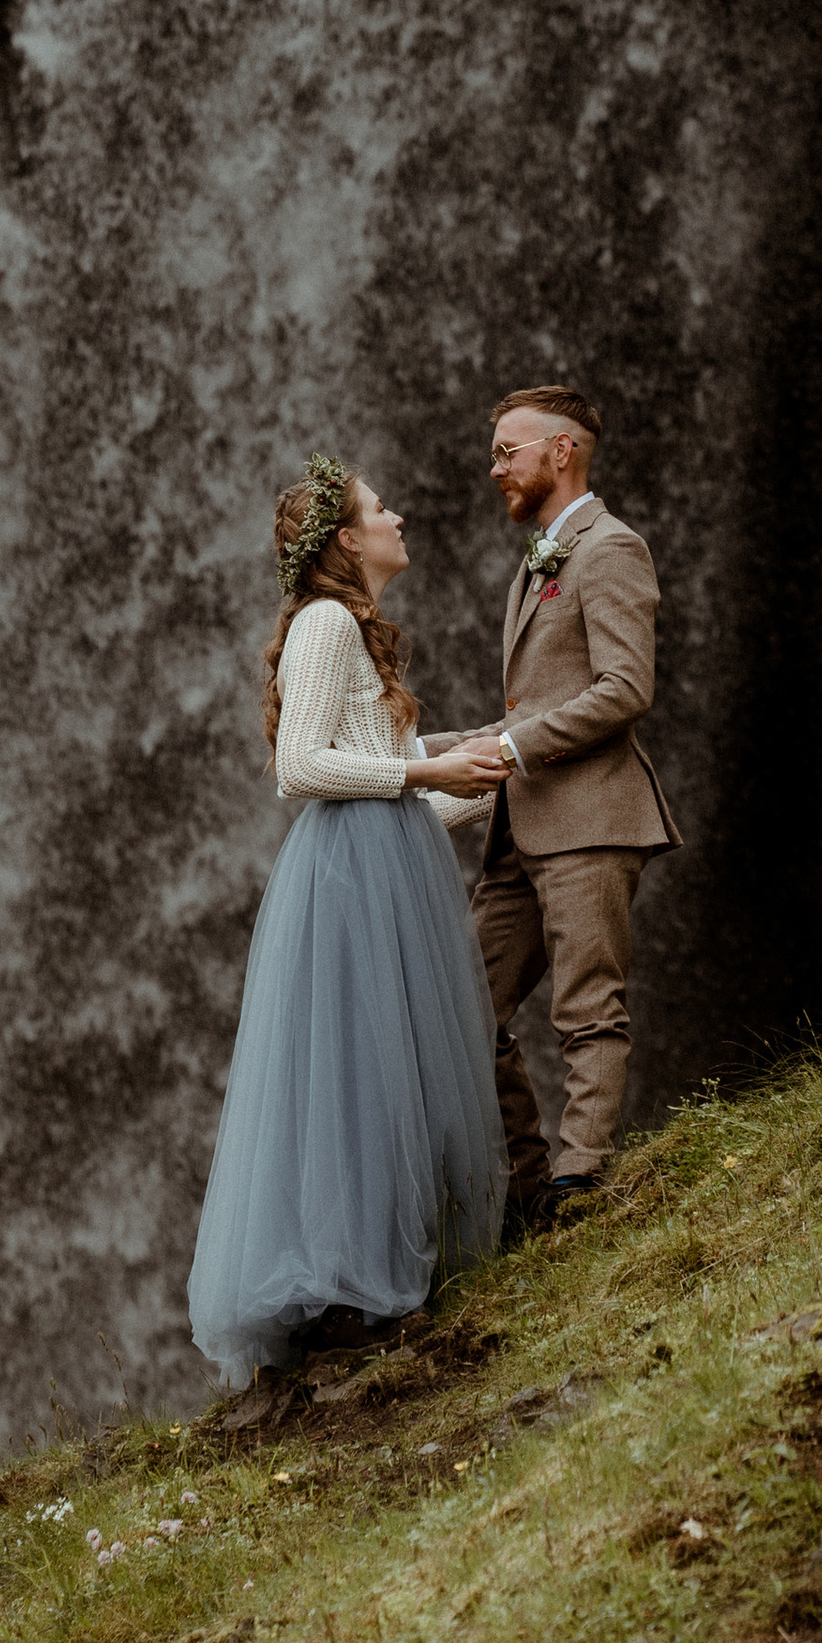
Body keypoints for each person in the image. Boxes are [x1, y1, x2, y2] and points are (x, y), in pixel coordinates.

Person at [187, 452, 512, 1390]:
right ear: (345, 538)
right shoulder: (326, 622)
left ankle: (373, 1275)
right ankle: (344, 1288)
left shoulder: (357, 631)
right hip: (349, 882)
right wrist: (430, 771)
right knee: (354, 1074)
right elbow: (302, 769)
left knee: (382, 1073)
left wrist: (496, 776)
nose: (399, 516)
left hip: (384, 868)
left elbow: (399, 793)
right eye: (381, 507)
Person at [432, 383, 682, 1228]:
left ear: (561, 452)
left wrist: (508, 750)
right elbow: (532, 707)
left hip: (590, 819)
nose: (494, 466)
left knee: (587, 1004)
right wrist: (419, 756)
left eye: (509, 451)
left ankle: (582, 1183)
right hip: (522, 824)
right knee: (457, 1000)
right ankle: (530, 1180)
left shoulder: (611, 548)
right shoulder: (539, 556)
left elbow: (624, 689)